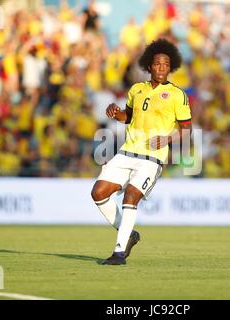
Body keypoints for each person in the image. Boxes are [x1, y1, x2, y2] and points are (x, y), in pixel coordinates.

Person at [91, 39, 192, 265]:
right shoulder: (137, 89)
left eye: (166, 65)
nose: (161, 68)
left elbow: (187, 130)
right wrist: (114, 112)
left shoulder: (177, 95)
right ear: (149, 66)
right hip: (127, 152)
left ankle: (119, 252)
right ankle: (129, 234)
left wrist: (167, 138)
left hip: (151, 158)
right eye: (157, 64)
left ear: (171, 68)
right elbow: (128, 117)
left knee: (131, 197)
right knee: (98, 193)